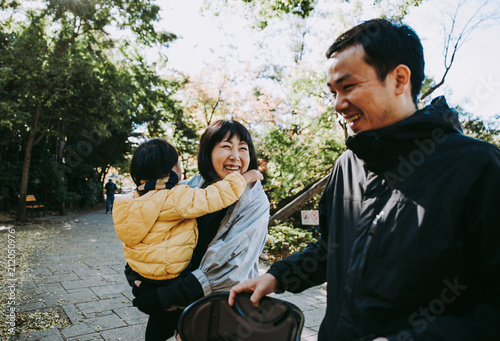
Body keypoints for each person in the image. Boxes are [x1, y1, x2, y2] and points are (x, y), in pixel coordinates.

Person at [230, 18, 500, 341]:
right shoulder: (347, 165)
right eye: (332, 92)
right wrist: (276, 276)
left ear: (399, 79)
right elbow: (330, 248)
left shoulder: (477, 167)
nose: (338, 105)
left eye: (348, 87)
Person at [129, 120, 270, 341]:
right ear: (208, 151)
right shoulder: (192, 186)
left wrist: (167, 295)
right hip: (167, 301)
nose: (236, 155)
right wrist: (135, 272)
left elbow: (231, 267)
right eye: (226, 146)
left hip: (214, 307)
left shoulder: (255, 201)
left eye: (243, 148)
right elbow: (152, 228)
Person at [112, 138, 262, 283]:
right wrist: (244, 178)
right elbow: (213, 197)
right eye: (178, 164)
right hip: (169, 272)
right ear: (169, 170)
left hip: (141, 270)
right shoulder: (176, 196)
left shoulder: (131, 200)